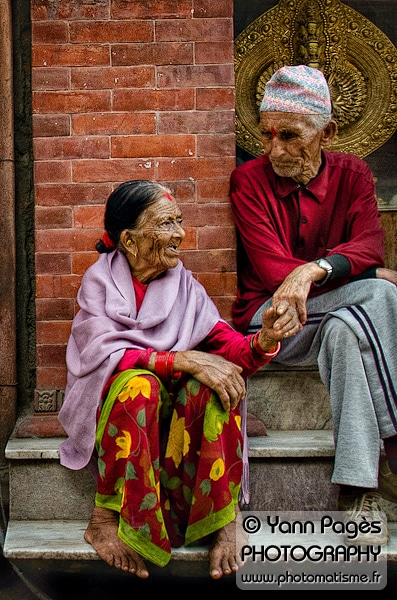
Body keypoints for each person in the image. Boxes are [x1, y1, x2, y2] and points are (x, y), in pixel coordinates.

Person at [58, 180, 300, 579]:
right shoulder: (98, 284)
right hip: (129, 417)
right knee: (140, 384)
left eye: (180, 222)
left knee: (213, 384)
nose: (180, 235)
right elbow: (103, 355)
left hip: (178, 425)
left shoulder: (185, 287)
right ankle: (104, 516)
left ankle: (224, 519)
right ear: (130, 241)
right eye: (166, 224)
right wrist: (181, 360)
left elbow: (231, 352)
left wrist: (265, 340)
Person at [229, 64, 397, 546]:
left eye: (289, 135)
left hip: (335, 316)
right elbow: (272, 274)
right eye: (266, 135)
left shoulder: (354, 174)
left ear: (329, 131)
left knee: (349, 328)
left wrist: (312, 270)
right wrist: (349, 272)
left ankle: (356, 489)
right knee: (382, 292)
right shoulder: (248, 181)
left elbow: (371, 244)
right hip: (272, 322)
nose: (274, 149)